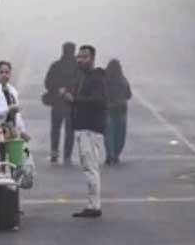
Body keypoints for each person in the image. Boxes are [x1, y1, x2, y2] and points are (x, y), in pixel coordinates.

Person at [64, 44, 106, 218]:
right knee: (88, 167)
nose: (80, 60)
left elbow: (98, 101)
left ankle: (94, 206)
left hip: (90, 128)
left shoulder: (96, 78)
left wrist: (74, 100)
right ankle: (93, 204)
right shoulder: (83, 77)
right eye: (79, 57)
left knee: (90, 168)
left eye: (84, 57)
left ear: (92, 58)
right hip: (83, 127)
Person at [44, 42, 79, 164]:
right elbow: (81, 83)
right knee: (70, 130)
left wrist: (58, 90)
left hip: (57, 102)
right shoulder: (78, 67)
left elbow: (48, 82)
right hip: (71, 103)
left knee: (55, 129)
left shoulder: (56, 65)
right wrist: (72, 93)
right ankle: (67, 155)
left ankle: (54, 152)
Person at [103, 59, 132, 165]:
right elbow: (129, 95)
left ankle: (110, 155)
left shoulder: (104, 80)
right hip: (121, 109)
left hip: (108, 109)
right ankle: (116, 154)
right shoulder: (123, 80)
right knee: (120, 134)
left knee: (109, 134)